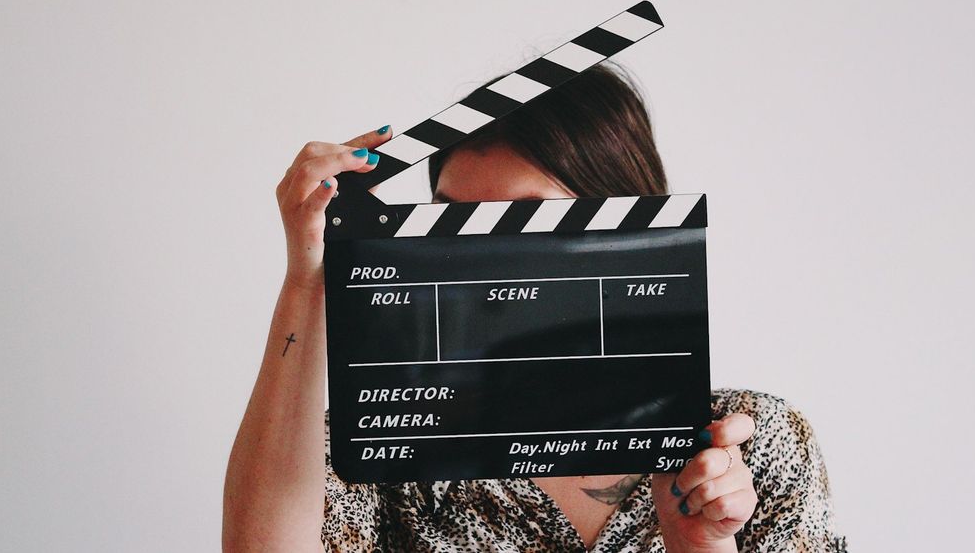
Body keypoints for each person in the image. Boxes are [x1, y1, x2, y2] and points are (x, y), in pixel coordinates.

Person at [223, 61, 849, 552]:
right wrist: (310, 280)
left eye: (520, 220)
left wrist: (703, 547)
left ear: (624, 229)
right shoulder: (392, 442)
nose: (475, 257)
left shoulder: (751, 446)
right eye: (451, 222)